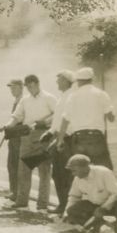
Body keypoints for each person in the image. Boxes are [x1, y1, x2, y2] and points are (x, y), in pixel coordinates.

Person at [1, 74, 57, 212]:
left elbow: (58, 114)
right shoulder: (25, 100)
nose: (30, 89)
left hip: (44, 136)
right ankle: (22, 201)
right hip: (27, 136)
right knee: (23, 169)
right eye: (27, 86)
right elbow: (17, 116)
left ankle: (42, 203)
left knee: (44, 171)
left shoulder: (49, 97)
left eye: (32, 86)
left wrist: (45, 122)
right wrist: (8, 126)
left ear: (38, 84)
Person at [56, 67, 114, 169]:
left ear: (78, 81)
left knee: (81, 171)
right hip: (96, 138)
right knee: (104, 169)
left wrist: (60, 140)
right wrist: (107, 111)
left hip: (78, 139)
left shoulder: (73, 96)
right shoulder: (101, 94)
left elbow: (65, 120)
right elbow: (111, 118)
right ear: (91, 79)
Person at [63, 154, 117, 233]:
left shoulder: (104, 172)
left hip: (111, 206)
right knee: (71, 211)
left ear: (85, 167)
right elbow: (74, 196)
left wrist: (103, 208)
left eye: (74, 170)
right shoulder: (78, 178)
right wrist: (66, 213)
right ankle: (97, 223)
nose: (73, 174)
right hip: (94, 206)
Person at [44, 69, 76, 216]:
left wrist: (60, 138)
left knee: (65, 173)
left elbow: (68, 121)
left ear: (66, 81)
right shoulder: (63, 96)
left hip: (67, 139)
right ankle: (62, 204)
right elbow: (57, 120)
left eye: (59, 80)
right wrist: (50, 132)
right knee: (57, 173)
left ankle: (67, 206)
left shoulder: (71, 96)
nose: (57, 82)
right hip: (58, 137)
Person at [4, 78, 25, 200]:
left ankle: (17, 192)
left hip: (19, 137)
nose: (12, 90)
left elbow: (22, 121)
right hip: (13, 136)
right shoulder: (16, 100)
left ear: (21, 87)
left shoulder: (23, 101)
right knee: (11, 164)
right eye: (11, 88)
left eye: (14, 88)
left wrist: (11, 129)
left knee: (16, 164)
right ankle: (13, 191)